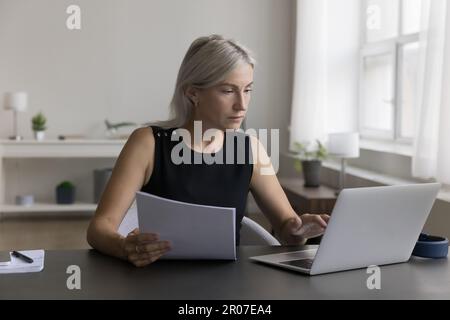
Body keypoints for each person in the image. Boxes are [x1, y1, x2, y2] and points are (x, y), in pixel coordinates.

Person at [87, 34, 329, 267]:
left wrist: (300, 230)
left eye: (247, 90)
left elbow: (288, 230)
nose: (241, 104)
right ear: (193, 93)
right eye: (227, 90)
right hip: (158, 280)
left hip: (229, 287)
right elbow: (99, 228)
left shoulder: (251, 149)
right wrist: (124, 247)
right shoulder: (148, 143)